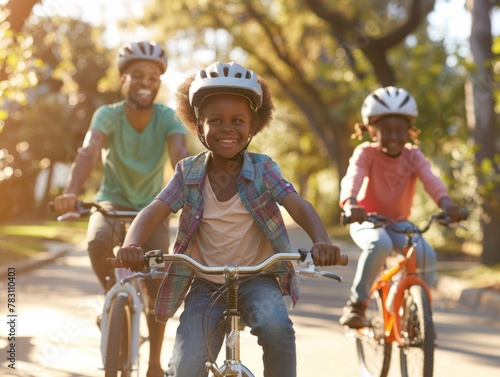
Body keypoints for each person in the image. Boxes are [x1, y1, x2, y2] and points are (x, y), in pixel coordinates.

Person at [116, 61, 344, 377]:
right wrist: (132, 243)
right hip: (205, 284)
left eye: (238, 121)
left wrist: (322, 240)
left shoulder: (264, 170)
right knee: (186, 365)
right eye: (215, 120)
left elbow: (298, 205)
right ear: (198, 125)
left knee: (277, 328)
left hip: (257, 279)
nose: (227, 128)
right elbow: (155, 209)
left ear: (253, 127)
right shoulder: (188, 173)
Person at [53, 41, 188, 377]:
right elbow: (89, 150)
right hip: (111, 202)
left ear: (159, 83)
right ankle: (113, 300)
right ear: (123, 80)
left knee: (157, 287)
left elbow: (179, 155)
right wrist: (71, 191)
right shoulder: (108, 115)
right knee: (98, 243)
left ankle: (155, 363)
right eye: (138, 75)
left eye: (154, 77)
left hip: (153, 208)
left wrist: (191, 193)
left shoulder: (168, 118)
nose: (146, 82)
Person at [338, 86, 461, 329]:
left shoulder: (413, 156)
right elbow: (353, 177)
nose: (394, 136)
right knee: (380, 244)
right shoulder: (366, 153)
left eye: (400, 130)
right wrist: (351, 203)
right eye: (386, 130)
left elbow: (431, 180)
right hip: (367, 221)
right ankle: (357, 303)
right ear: (373, 130)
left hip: (398, 223)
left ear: (409, 131)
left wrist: (447, 203)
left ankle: (417, 314)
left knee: (426, 253)